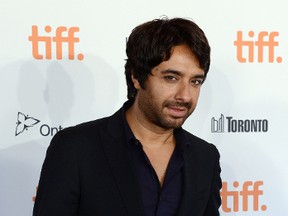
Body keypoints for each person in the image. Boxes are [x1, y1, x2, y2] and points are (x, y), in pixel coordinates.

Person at [33, 17, 222, 216]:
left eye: (195, 81)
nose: (184, 95)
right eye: (171, 78)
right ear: (136, 77)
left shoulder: (205, 158)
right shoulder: (76, 148)